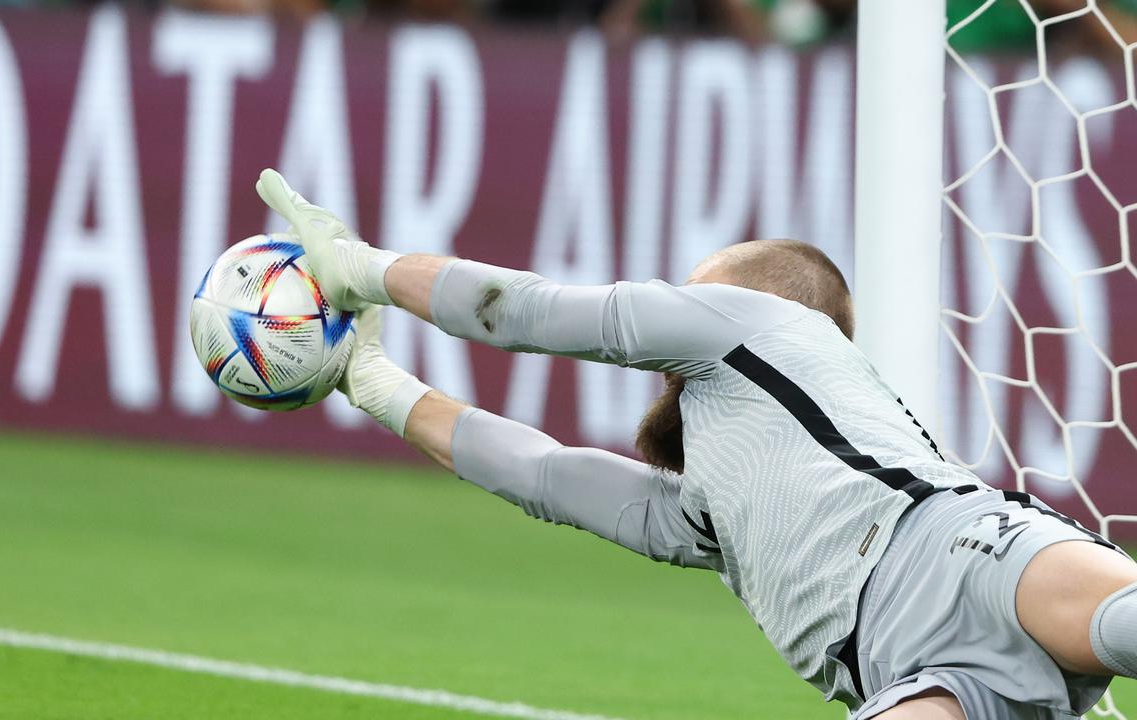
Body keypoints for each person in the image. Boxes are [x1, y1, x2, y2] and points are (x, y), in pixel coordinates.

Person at [254, 168, 1137, 719]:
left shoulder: (748, 324)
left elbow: (525, 311)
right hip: (906, 673)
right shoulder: (716, 515)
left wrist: (364, 268)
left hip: (961, 555)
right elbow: (546, 477)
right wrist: (376, 387)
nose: (668, 318)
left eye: (689, 290)